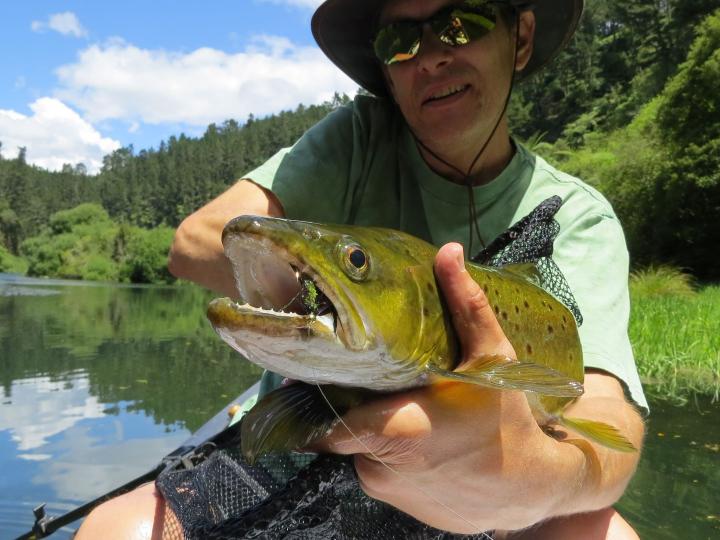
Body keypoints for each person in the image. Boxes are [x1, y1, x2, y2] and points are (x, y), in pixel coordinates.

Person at [78, 0, 646, 538]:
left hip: (492, 475)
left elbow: (606, 420)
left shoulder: (579, 218)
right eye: (400, 40)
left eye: (461, 23)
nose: (429, 55)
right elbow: (196, 242)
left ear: (520, 38)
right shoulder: (357, 136)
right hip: (309, 435)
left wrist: (530, 481)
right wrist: (315, 311)